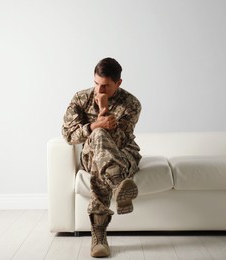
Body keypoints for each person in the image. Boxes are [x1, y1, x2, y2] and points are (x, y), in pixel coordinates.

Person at [62, 57, 142, 258]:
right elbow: (68, 135)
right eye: (96, 83)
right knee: (97, 137)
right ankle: (117, 183)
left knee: (102, 159)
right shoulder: (81, 99)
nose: (99, 90)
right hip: (91, 154)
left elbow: (121, 141)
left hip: (124, 154)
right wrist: (96, 124)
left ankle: (99, 235)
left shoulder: (131, 104)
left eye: (105, 86)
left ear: (119, 83)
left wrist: (105, 110)